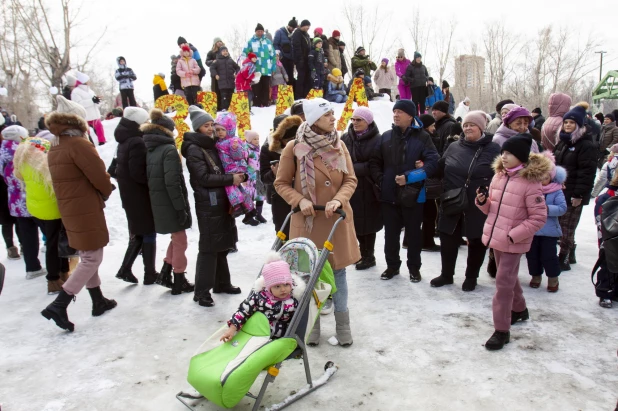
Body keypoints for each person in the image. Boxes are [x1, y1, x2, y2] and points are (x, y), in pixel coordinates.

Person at [274, 98, 359, 347]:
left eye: (333, 114)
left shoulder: (339, 144)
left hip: (335, 220)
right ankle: (311, 329)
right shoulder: (294, 147)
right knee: (308, 275)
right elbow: (280, 184)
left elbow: (350, 180)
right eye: (327, 115)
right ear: (313, 120)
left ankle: (344, 330)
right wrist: (299, 200)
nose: (333, 118)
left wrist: (339, 200)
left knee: (339, 275)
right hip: (308, 222)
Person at [41, 96, 117, 332]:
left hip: (69, 207)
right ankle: (60, 304)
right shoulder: (79, 144)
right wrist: (107, 191)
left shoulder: (56, 145)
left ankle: (97, 300)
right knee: (92, 258)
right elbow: (98, 175)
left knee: (87, 254)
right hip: (84, 207)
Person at [475, 134, 550, 350]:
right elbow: (493, 209)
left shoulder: (530, 183)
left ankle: (501, 330)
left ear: (522, 158)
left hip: (513, 240)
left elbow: (538, 217)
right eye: (503, 152)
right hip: (497, 236)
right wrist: (483, 202)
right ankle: (520, 309)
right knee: (507, 277)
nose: (504, 156)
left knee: (502, 283)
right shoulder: (499, 176)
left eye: (509, 153)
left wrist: (513, 235)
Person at [369, 100, 439, 282]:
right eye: (394, 111)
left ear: (410, 115)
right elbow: (374, 162)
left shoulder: (423, 137)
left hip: (414, 194)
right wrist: (382, 180)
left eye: (400, 111)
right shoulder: (385, 137)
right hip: (389, 195)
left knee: (414, 235)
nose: (396, 115)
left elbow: (433, 163)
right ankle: (392, 267)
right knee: (390, 235)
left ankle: (414, 269)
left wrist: (410, 177)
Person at [433, 111, 501, 291]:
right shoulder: (454, 146)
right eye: (466, 125)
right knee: (448, 237)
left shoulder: (493, 149)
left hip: (479, 201)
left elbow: (499, 175)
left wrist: (488, 191)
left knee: (476, 239)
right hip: (453, 199)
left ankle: (471, 277)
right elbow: (440, 167)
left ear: (481, 128)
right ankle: (446, 275)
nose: (468, 128)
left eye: (473, 125)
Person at [182, 106, 241, 307]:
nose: (210, 129)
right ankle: (201, 292)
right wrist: (231, 179)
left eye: (212, 125)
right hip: (208, 203)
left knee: (222, 245)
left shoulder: (210, 145)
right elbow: (204, 177)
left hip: (219, 201)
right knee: (208, 247)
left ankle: (222, 283)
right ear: (198, 128)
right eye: (206, 126)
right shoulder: (194, 148)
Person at [143, 109, 194, 295]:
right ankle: (179, 280)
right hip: (170, 203)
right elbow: (172, 182)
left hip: (159, 202)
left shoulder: (151, 148)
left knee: (176, 238)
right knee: (181, 241)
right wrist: (181, 208)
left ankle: (165, 272)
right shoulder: (169, 150)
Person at [13, 135, 71, 294]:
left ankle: (63, 272)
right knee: (55, 243)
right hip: (51, 208)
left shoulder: (24, 162)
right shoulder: (44, 165)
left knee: (54, 241)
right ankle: (54, 278)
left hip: (34, 207)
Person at [113, 107, 158, 285]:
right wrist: (152, 182)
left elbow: (116, 169)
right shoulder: (137, 142)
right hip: (139, 196)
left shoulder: (123, 140)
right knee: (148, 232)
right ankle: (149, 273)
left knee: (139, 233)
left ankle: (125, 269)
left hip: (129, 194)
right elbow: (138, 173)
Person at [221, 252, 304, 342]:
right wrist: (232, 329)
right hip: (256, 332)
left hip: (278, 338)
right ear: (269, 287)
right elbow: (243, 311)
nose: (283, 289)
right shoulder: (260, 298)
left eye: (286, 284)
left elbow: (295, 322)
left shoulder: (293, 301)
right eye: (277, 286)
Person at [553, 103, 597, 271]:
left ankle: (563, 257)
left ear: (580, 125)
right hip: (559, 190)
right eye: (566, 122)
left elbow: (587, 172)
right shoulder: (563, 142)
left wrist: (578, 194)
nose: (568, 125)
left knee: (567, 226)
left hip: (574, 192)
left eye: (572, 123)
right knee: (559, 224)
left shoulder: (586, 145)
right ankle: (570, 254)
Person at [0, 125, 46, 279]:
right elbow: (47, 146)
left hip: (14, 200)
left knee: (27, 234)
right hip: (31, 196)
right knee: (50, 231)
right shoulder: (24, 148)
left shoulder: (2, 150)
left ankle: (32, 268)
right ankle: (59, 263)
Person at [342, 107, 382, 270]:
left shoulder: (377, 139)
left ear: (368, 122)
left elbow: (376, 163)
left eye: (359, 120)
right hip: (351, 186)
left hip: (370, 187)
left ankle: (369, 255)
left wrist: (353, 167)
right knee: (355, 221)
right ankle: (360, 252)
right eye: (353, 119)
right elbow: (339, 160)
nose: (355, 122)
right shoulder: (345, 138)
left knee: (369, 222)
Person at [526, 152, 567, 292]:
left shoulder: (556, 191)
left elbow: (562, 208)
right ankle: (535, 276)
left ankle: (553, 278)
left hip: (549, 231)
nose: (543, 179)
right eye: (541, 176)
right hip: (532, 230)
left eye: (547, 176)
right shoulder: (531, 189)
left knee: (548, 256)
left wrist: (546, 209)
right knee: (532, 256)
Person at [261, 114, 301, 236]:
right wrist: (274, 173)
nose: (291, 143)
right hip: (280, 197)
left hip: (302, 194)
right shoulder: (268, 149)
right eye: (287, 140)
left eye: (294, 138)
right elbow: (263, 177)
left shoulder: (302, 145)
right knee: (284, 232)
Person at [213, 111, 256, 223]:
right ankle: (247, 206)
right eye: (217, 130)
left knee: (230, 186)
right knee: (238, 188)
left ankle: (237, 205)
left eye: (223, 130)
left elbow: (240, 156)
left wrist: (235, 149)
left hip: (234, 167)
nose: (220, 133)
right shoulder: (219, 141)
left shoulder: (234, 141)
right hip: (228, 168)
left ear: (230, 129)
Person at [593, 171, 618, 308]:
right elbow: (600, 218)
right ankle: (605, 292)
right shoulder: (608, 196)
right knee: (608, 264)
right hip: (610, 237)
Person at [418, 114, 441, 252]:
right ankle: (427, 241)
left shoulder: (421, 137)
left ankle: (424, 240)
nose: (434, 128)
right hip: (426, 182)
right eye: (432, 125)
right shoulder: (426, 139)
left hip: (425, 182)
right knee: (429, 213)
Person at [0, 115, 20, 261]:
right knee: (18, 217)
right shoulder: (14, 145)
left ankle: (11, 248)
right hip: (12, 185)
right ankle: (24, 245)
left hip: (4, 185)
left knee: (6, 219)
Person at [243, 23, 276, 107]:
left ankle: (265, 102)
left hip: (266, 68)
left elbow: (273, 55)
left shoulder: (268, 42)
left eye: (261, 31)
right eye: (258, 31)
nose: (260, 32)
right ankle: (257, 103)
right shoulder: (251, 42)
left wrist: (273, 68)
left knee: (265, 86)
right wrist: (247, 65)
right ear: (255, 32)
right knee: (256, 87)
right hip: (255, 69)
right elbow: (245, 53)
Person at [71, 72, 106, 145]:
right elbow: (78, 104)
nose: (89, 81)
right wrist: (92, 101)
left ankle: (102, 142)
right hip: (85, 115)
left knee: (99, 127)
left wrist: (97, 101)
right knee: (86, 131)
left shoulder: (90, 91)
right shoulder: (75, 92)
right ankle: (88, 145)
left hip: (94, 114)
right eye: (88, 80)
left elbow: (94, 102)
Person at [244, 130, 267, 223]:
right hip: (250, 177)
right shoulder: (246, 149)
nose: (257, 141)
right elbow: (243, 163)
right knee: (249, 197)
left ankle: (258, 214)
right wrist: (244, 177)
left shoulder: (258, 148)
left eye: (258, 139)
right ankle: (249, 216)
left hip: (258, 175)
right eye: (254, 139)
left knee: (260, 195)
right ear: (249, 140)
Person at [210, 46, 240, 111]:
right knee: (224, 96)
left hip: (231, 82)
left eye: (226, 51)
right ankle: (224, 109)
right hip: (222, 83)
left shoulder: (230, 60)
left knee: (231, 96)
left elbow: (237, 67)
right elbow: (212, 68)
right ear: (220, 52)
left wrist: (236, 74)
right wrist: (215, 75)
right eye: (223, 51)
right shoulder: (217, 61)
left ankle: (231, 108)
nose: (225, 52)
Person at [273, 18, 298, 89]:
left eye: (294, 28)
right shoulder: (280, 32)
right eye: (292, 27)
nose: (292, 29)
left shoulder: (293, 34)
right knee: (283, 76)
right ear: (289, 26)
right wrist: (279, 55)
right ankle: (282, 92)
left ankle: (290, 93)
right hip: (283, 58)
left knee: (290, 76)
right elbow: (275, 44)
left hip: (291, 59)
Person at [292, 20, 312, 100]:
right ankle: (298, 95)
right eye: (307, 26)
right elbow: (297, 47)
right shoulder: (297, 33)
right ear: (303, 25)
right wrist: (300, 59)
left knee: (307, 77)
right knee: (301, 77)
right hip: (300, 59)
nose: (308, 28)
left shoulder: (306, 34)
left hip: (307, 59)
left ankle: (305, 94)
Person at [205, 37, 225, 110]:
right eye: (218, 41)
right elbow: (207, 62)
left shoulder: (225, 51)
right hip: (215, 74)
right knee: (215, 90)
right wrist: (212, 62)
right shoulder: (211, 52)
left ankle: (224, 106)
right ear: (215, 43)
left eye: (220, 41)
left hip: (224, 74)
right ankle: (216, 107)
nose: (220, 43)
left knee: (223, 91)